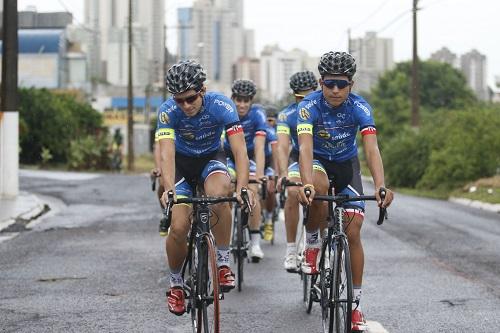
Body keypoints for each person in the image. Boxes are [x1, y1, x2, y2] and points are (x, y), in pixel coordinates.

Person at [296, 51, 394, 331]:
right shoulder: (309, 106)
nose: (335, 90)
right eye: (329, 84)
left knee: (353, 231)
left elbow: (371, 148)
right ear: (320, 83)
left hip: (347, 164)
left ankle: (355, 307)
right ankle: (313, 242)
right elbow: (304, 146)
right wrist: (305, 183)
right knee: (318, 187)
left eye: (341, 84)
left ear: (351, 84)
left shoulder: (360, 108)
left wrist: (380, 186)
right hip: (317, 161)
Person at [157, 60, 252, 316]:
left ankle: (222, 262)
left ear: (202, 90)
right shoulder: (167, 112)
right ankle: (176, 284)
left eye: (190, 99)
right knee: (178, 226)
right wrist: (168, 188)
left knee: (221, 194)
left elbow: (240, 149)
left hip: (212, 159)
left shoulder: (222, 106)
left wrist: (243, 186)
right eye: (179, 101)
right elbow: (165, 154)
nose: (185, 106)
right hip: (181, 165)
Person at [275, 70, 318, 272]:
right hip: (298, 157)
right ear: (294, 96)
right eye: (300, 97)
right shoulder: (286, 115)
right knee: (292, 192)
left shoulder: (324, 109)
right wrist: (283, 173)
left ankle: (322, 244)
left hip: (324, 158)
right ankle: (291, 249)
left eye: (309, 96)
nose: (305, 101)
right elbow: (283, 147)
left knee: (326, 192)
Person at [224, 79, 267, 261]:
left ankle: (255, 243)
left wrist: (259, 175)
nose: (242, 104)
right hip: (227, 156)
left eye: (246, 100)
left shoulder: (258, 114)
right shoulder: (226, 111)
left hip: (248, 157)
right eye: (238, 100)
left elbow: (259, 147)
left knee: (253, 193)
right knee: (224, 188)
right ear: (232, 98)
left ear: (251, 100)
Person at [261, 106, 279, 241]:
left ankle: (268, 219)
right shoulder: (258, 128)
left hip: (269, 163)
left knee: (270, 189)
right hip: (255, 163)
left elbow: (276, 156)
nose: (269, 123)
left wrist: (276, 175)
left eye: (271, 120)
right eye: (267, 120)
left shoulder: (274, 131)